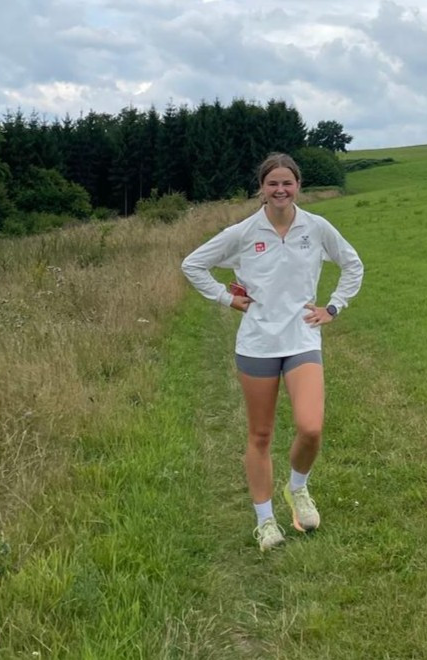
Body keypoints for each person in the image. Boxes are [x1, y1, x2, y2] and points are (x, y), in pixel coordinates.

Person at [181, 153, 363, 551]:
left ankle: (297, 488)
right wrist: (226, 298)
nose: (280, 190)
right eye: (272, 183)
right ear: (261, 188)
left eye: (287, 183)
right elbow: (193, 265)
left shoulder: (316, 228)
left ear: (298, 186)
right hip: (258, 344)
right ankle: (265, 522)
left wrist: (333, 307)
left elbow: (353, 265)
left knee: (311, 428)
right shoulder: (243, 232)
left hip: (302, 339)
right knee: (260, 434)